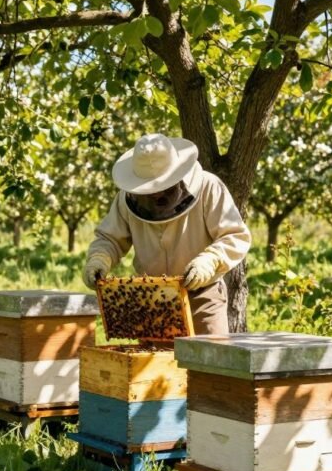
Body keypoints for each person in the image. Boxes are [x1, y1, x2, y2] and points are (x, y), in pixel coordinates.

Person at [82, 133, 252, 335]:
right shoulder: (126, 200)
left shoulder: (208, 187)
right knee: (153, 364)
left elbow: (235, 235)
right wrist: (100, 258)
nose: (156, 194)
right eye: (149, 190)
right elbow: (110, 239)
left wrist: (211, 260)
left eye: (163, 187)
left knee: (209, 362)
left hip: (202, 296)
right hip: (151, 298)